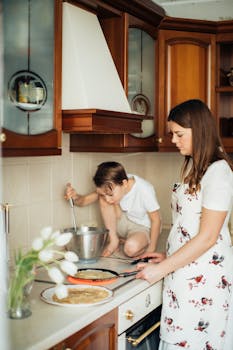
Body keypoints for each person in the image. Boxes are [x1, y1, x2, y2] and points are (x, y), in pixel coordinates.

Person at [136, 99, 233, 350]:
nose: (173, 140)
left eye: (179, 134)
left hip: (205, 279)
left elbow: (208, 237)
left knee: (192, 341)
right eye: (172, 134)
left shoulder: (219, 171)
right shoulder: (193, 165)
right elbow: (187, 224)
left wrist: (163, 268)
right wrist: (167, 255)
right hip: (184, 269)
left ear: (199, 130)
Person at [65, 161, 161, 258]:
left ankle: (131, 240)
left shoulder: (144, 189)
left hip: (142, 227)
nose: (107, 199)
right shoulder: (111, 184)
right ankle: (114, 240)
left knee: (130, 249)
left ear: (124, 183)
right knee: (102, 198)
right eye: (104, 194)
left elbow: (156, 220)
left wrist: (151, 250)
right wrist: (75, 197)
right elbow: (84, 201)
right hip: (123, 223)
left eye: (110, 195)